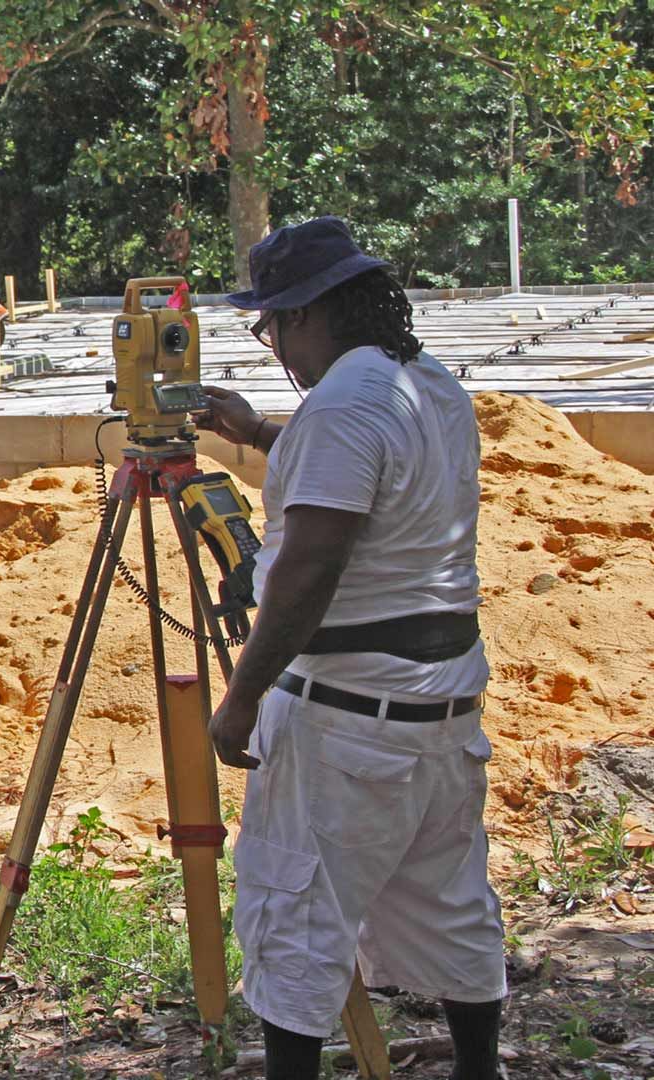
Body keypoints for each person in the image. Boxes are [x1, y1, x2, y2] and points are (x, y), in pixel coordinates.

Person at [193, 217, 505, 1080]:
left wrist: (243, 697)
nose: (274, 346)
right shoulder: (427, 385)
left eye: (270, 328)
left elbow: (312, 566)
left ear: (302, 315)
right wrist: (256, 436)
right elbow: (370, 472)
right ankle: (482, 1069)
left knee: (294, 921)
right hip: (440, 708)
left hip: (346, 720)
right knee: (451, 907)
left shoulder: (340, 404)